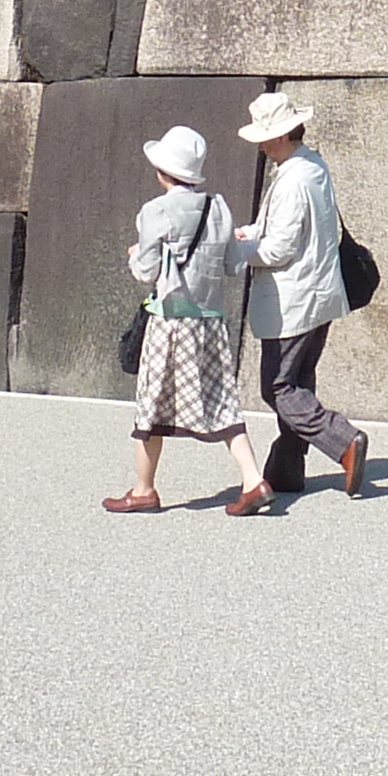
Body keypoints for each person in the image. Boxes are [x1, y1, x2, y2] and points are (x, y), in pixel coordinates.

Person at [108, 125, 271, 518]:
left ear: (164, 172)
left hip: (171, 323)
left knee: (151, 405)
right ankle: (253, 480)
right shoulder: (219, 207)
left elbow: (145, 271)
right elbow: (234, 263)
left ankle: (144, 489)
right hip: (212, 324)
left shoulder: (155, 211)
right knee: (222, 402)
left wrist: (137, 253)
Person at [227, 90, 366, 497]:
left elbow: (278, 249)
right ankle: (287, 468)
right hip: (319, 294)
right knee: (299, 382)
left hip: (294, 300)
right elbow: (290, 232)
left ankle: (343, 441)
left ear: (282, 135)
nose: (262, 146)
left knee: (279, 387)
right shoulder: (312, 166)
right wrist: (251, 233)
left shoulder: (292, 178)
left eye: (265, 138)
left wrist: (238, 249)